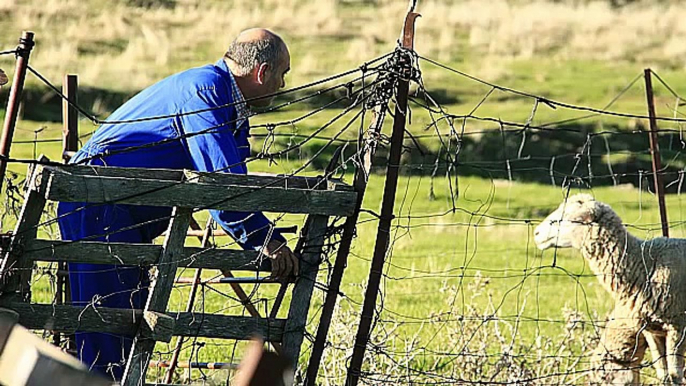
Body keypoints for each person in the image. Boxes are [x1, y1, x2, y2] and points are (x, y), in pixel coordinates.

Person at [57, 28, 298, 381]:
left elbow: (231, 178)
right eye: (282, 74)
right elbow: (222, 184)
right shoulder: (206, 93)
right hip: (99, 201)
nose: (282, 84)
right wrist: (266, 241)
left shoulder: (221, 97)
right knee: (106, 324)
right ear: (262, 72)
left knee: (124, 321)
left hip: (115, 207)